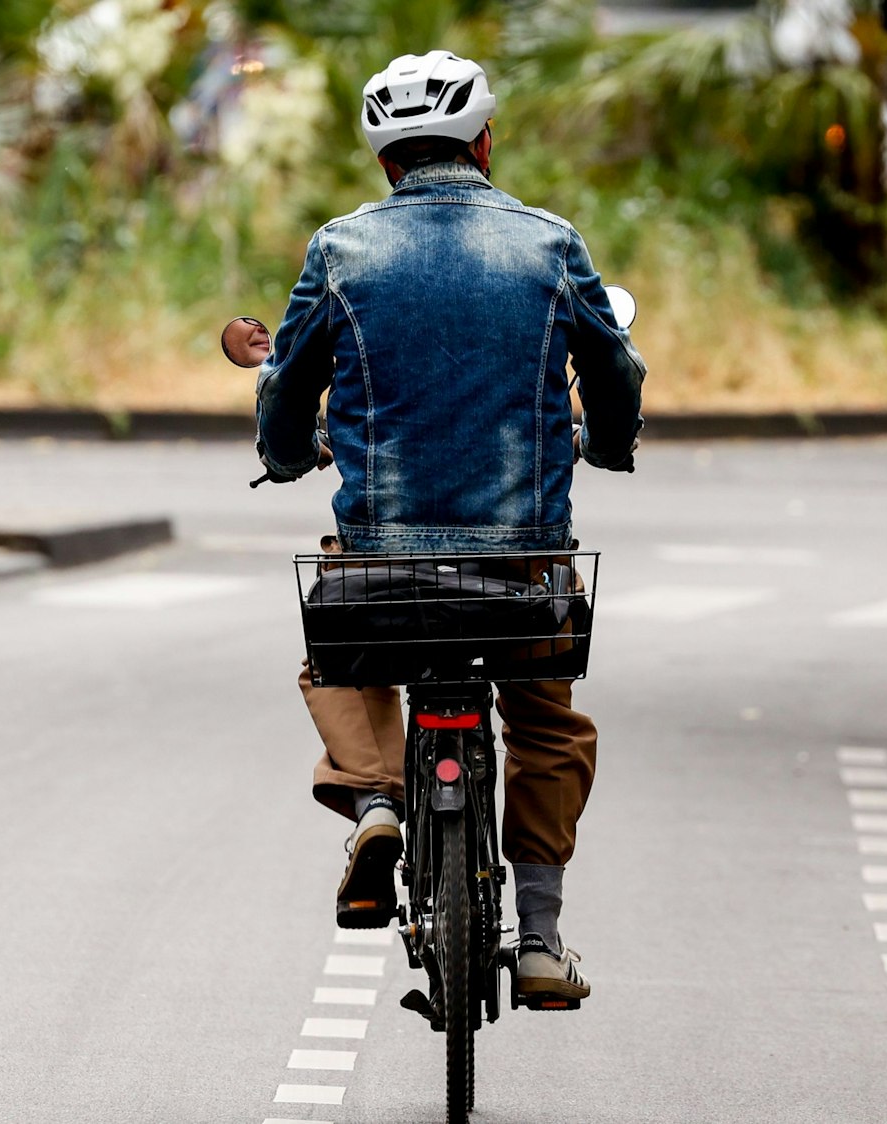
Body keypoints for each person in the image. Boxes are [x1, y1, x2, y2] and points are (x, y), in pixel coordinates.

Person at [250, 49, 645, 1005]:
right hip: (526, 567)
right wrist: (612, 443)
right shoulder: (551, 244)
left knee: (332, 656)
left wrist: (291, 453)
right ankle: (543, 941)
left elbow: (285, 388)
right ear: (485, 141)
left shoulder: (341, 250)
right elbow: (617, 374)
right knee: (548, 725)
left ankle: (381, 799)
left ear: (386, 162)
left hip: (385, 568)